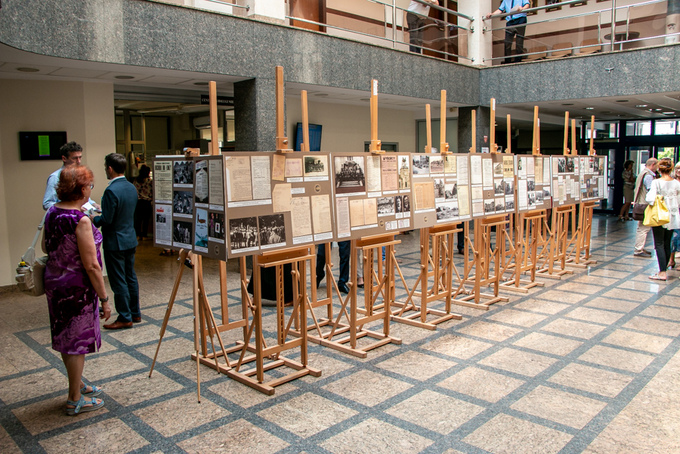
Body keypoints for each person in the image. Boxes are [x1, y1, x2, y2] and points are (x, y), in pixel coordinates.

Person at [42, 165, 111, 415]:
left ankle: (77, 381)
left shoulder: (52, 213)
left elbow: (45, 246)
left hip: (56, 284)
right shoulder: (79, 220)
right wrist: (104, 298)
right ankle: (74, 397)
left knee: (64, 337)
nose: (90, 190)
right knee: (77, 342)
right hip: (76, 289)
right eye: (89, 186)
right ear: (81, 189)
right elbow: (92, 264)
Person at [91, 153, 140, 329]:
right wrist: (102, 209)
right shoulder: (130, 187)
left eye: (105, 167)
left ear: (110, 168)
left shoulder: (111, 190)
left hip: (115, 241)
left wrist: (92, 218)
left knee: (118, 279)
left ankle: (124, 317)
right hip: (130, 238)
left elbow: (107, 220)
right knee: (130, 277)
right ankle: (135, 313)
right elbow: (123, 211)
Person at [646, 158, 680, 281]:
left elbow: (650, 198)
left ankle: (662, 272)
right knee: (667, 243)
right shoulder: (677, 183)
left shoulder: (657, 182)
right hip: (673, 216)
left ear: (659, 169)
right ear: (671, 169)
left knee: (659, 243)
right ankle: (663, 269)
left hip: (660, 216)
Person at [43, 141, 99, 211]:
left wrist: (93, 204)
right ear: (64, 158)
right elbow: (47, 204)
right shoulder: (55, 177)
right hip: (66, 218)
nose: (79, 161)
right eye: (75, 158)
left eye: (80, 157)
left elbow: (80, 196)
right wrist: (71, 208)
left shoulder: (80, 174)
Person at [487, 0, 531, 64]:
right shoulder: (505, 0)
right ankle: (507, 61)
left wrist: (522, 8)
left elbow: (527, 5)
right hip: (510, 21)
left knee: (519, 41)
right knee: (507, 42)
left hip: (520, 19)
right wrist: (492, 14)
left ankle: (518, 60)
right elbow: (500, 10)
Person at [633, 157, 658, 257]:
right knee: (644, 228)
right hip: (645, 205)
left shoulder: (642, 173)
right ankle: (638, 249)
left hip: (640, 203)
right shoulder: (648, 176)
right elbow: (650, 191)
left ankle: (639, 247)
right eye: (657, 165)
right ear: (653, 165)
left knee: (641, 227)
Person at [133, 165, 153, 240]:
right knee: (146, 220)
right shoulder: (149, 181)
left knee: (138, 220)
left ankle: (138, 235)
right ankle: (144, 235)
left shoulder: (136, 180)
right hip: (147, 202)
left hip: (138, 202)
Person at [669, 162, 680, 269]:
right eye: (677, 168)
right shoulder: (672, 182)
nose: (679, 171)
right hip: (673, 211)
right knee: (673, 236)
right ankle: (671, 260)